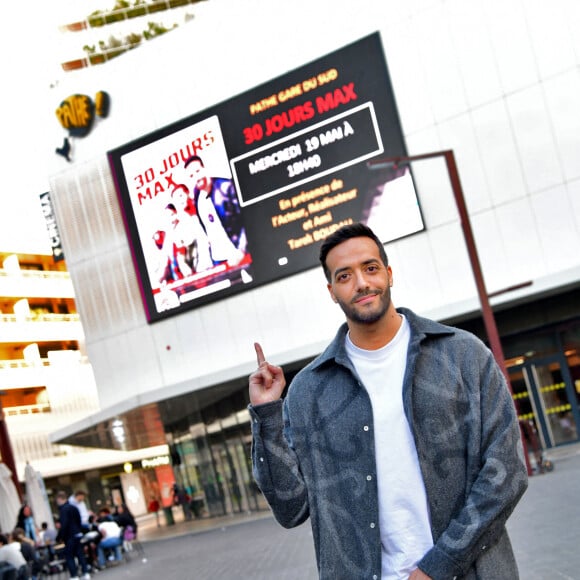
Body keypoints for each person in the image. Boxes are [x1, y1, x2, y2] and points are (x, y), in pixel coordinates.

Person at [248, 222, 529, 579]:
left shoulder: (463, 357)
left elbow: (506, 474)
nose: (362, 283)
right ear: (332, 291)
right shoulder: (308, 392)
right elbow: (291, 508)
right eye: (345, 275)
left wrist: (437, 566)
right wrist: (266, 415)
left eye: (370, 268)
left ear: (389, 273)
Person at [181, 155, 246, 266]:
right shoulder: (197, 197)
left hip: (238, 255)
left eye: (197, 171)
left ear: (204, 168)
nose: (196, 177)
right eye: (191, 176)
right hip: (218, 260)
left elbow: (245, 220)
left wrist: (241, 251)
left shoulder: (226, 187)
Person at [55, 490, 91, 580]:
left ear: (59, 499)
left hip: (69, 536)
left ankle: (74, 575)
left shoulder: (63, 510)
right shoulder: (73, 507)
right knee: (80, 554)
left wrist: (60, 537)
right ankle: (85, 573)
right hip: (77, 533)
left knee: (69, 556)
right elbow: (79, 520)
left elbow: (64, 524)